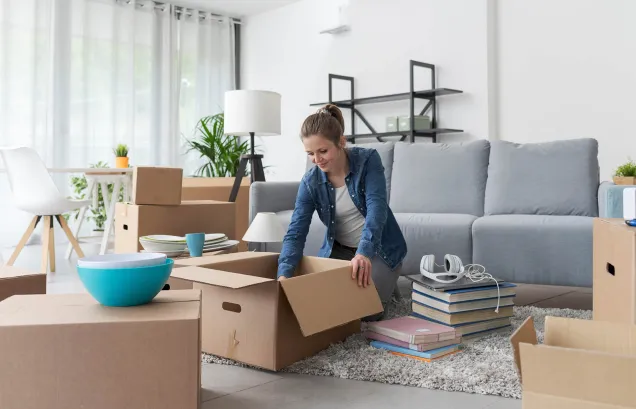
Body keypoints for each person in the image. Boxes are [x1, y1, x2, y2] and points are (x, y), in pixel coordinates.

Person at [277, 104, 407, 321]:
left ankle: (385, 278)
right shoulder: (310, 182)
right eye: (310, 153)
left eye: (323, 151)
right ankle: (383, 284)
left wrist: (364, 253)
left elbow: (377, 209)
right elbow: (296, 231)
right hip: (340, 251)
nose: (317, 160)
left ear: (341, 143)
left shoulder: (368, 160)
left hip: (378, 249)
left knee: (365, 315)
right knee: (322, 306)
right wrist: (283, 275)